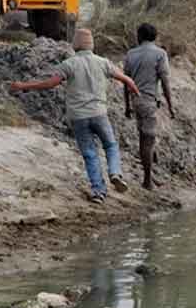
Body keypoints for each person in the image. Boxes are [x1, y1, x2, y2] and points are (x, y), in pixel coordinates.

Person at [9, 29, 139, 204]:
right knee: (110, 145)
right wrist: (135, 91)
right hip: (99, 114)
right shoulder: (103, 63)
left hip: (78, 117)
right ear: (91, 44)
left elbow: (50, 84)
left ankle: (98, 192)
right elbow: (127, 80)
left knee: (90, 153)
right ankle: (115, 172)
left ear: (75, 45)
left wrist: (24, 85)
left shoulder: (68, 64)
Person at [123, 23, 174, 190]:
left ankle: (150, 175)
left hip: (136, 101)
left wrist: (127, 105)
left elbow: (126, 82)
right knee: (148, 141)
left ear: (139, 36)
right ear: (155, 37)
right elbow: (165, 81)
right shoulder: (160, 54)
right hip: (149, 101)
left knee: (144, 138)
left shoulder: (131, 54)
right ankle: (147, 181)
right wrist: (171, 106)